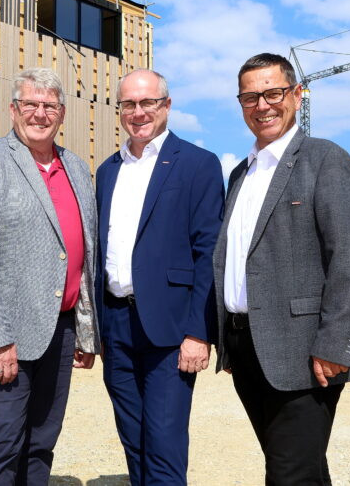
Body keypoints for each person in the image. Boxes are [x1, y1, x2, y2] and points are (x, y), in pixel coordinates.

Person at [214, 53, 350, 485]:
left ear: (297, 95)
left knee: (289, 474)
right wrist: (229, 341)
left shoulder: (325, 159)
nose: (262, 105)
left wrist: (336, 342)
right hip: (247, 348)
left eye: (273, 93)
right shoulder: (240, 174)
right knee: (301, 468)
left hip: (306, 351)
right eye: (250, 97)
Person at [0, 67, 99, 485]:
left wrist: (85, 331)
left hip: (61, 331)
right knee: (1, 447)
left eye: (49, 105)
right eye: (30, 104)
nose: (40, 113)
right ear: (13, 110)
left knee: (41, 444)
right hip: (6, 336)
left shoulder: (76, 167)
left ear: (62, 113)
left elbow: (84, 253)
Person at [95, 69, 224, 485]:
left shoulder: (198, 165)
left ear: (166, 105)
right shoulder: (108, 171)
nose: (139, 112)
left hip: (170, 329)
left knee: (164, 444)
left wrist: (199, 332)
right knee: (133, 440)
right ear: (119, 110)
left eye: (148, 102)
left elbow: (208, 254)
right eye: (129, 104)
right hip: (116, 326)